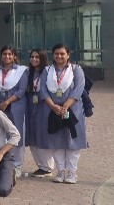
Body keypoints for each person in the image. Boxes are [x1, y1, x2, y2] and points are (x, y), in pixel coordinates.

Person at [38, 43, 88, 184]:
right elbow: (43, 90)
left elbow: (79, 88)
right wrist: (54, 106)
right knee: (56, 141)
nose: (59, 56)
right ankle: (60, 171)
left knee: (72, 141)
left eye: (62, 54)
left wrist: (65, 106)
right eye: (56, 54)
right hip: (52, 110)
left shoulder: (76, 69)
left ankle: (72, 173)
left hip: (72, 110)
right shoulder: (47, 70)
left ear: (68, 55)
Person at [0, 45, 28, 178]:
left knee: (16, 133)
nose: (7, 56)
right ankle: (4, 163)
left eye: (9, 54)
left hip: (15, 105)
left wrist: (7, 102)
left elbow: (21, 90)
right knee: (0, 133)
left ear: (14, 56)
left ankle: (17, 165)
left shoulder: (21, 71)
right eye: (4, 54)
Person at [24, 49, 54, 177]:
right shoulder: (28, 72)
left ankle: (47, 167)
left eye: (37, 57)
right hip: (30, 105)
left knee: (42, 135)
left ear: (42, 58)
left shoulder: (48, 72)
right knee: (32, 135)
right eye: (32, 57)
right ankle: (41, 166)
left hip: (43, 105)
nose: (34, 59)